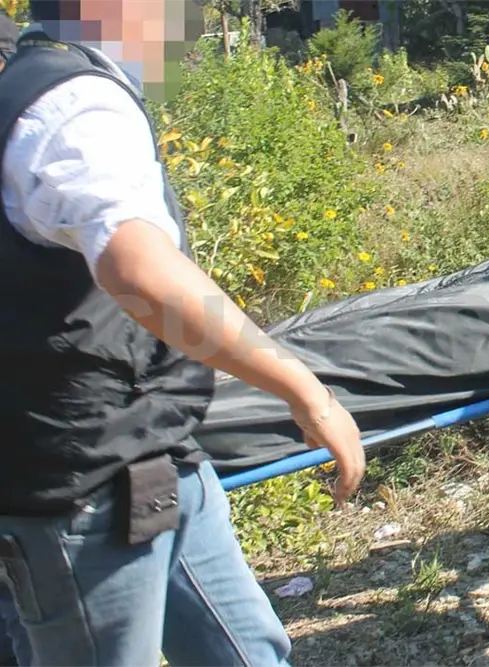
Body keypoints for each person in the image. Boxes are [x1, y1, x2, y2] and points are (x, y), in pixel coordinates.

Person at [0, 0, 369, 664]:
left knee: (248, 650)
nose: (191, 20)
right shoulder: (77, 105)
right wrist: (304, 388)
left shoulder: (49, 82)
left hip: (154, 451)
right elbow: (140, 275)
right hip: (83, 488)